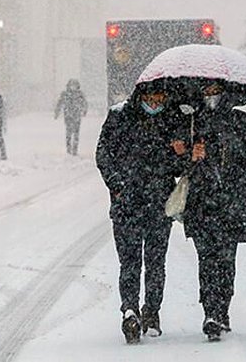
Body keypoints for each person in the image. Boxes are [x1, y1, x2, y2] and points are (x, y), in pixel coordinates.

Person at [175, 79, 246, 341]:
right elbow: (176, 164)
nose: (211, 97)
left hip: (231, 206)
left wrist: (243, 196)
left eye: (216, 92)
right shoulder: (193, 124)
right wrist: (189, 156)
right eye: (206, 92)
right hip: (201, 205)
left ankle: (222, 309)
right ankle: (211, 312)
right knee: (206, 260)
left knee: (226, 261)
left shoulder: (242, 123)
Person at [96, 81, 186, 344]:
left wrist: (180, 154)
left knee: (156, 263)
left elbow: (180, 167)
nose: (156, 101)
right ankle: (130, 310)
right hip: (127, 205)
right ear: (141, 94)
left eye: (160, 96)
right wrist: (117, 185)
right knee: (130, 262)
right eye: (152, 95)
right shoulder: (120, 116)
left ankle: (152, 312)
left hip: (160, 204)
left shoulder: (173, 118)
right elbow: (103, 153)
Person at [54, 79, 88, 155]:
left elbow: (84, 103)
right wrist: (57, 112)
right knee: (69, 132)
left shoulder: (80, 94)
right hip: (68, 115)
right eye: (71, 85)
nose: (73, 87)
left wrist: (84, 110)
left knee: (76, 133)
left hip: (77, 115)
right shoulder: (65, 94)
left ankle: (75, 149)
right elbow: (60, 103)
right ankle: (69, 149)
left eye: (74, 85)